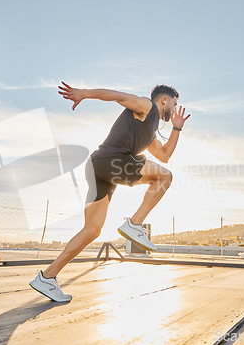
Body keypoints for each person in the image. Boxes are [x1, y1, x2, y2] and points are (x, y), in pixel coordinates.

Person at [30, 81, 190, 302]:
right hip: (111, 162)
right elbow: (116, 95)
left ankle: (47, 277)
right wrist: (83, 94)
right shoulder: (147, 106)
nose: (174, 108)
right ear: (165, 100)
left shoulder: (150, 128)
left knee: (92, 230)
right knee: (165, 176)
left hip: (99, 168)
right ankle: (134, 224)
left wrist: (177, 128)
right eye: (174, 103)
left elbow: (164, 155)